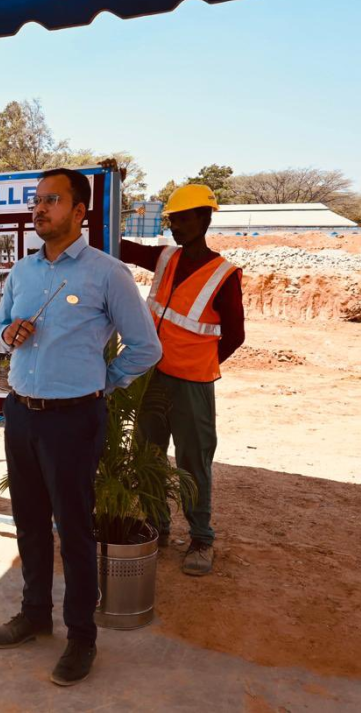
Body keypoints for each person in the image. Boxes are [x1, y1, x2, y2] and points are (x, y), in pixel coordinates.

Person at [0, 168, 161, 686]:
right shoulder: (22, 272)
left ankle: (81, 635)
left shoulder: (108, 274)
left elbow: (147, 347)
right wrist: (7, 334)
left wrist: (101, 384)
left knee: (75, 531)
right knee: (29, 522)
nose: (39, 209)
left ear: (80, 212)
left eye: (52, 201)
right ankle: (34, 614)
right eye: (37, 201)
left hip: (74, 419)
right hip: (20, 413)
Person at [120, 183, 245, 576]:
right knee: (149, 456)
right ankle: (156, 527)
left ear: (205, 218)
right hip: (151, 378)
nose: (177, 227)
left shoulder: (223, 274)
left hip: (192, 384)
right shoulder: (165, 258)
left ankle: (201, 538)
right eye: (173, 220)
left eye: (185, 218)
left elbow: (236, 334)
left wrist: (200, 362)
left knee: (193, 463)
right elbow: (120, 247)